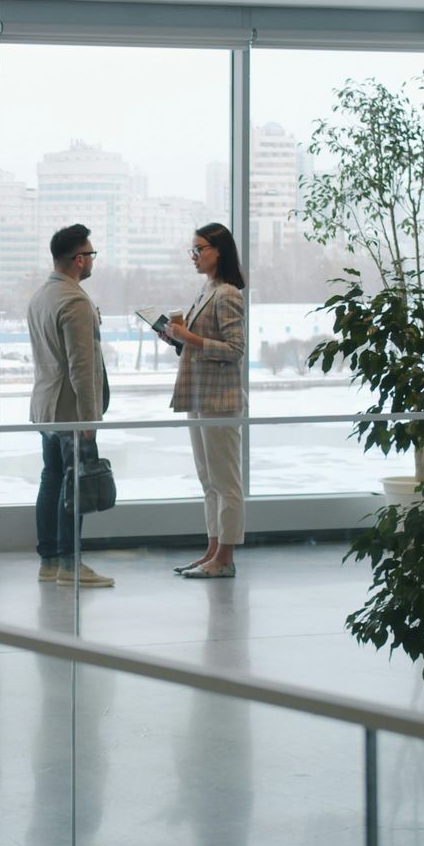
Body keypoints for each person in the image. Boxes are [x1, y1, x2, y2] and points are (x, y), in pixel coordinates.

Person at [27, 223, 114, 588]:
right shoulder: (74, 301)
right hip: (70, 409)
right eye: (91, 254)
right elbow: (82, 366)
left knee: (51, 479)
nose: (93, 260)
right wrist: (90, 419)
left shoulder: (41, 296)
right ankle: (70, 564)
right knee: (73, 484)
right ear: (79, 259)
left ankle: (49, 562)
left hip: (46, 406)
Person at [160, 222, 248, 579]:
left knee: (225, 481)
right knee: (208, 479)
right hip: (200, 394)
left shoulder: (227, 294)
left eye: (199, 249)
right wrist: (177, 338)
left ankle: (225, 557)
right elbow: (199, 342)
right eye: (192, 250)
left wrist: (189, 338)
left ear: (219, 251)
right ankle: (213, 551)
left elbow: (235, 349)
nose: (193, 256)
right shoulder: (207, 289)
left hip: (220, 398)